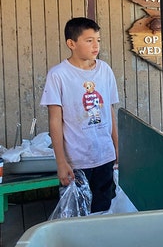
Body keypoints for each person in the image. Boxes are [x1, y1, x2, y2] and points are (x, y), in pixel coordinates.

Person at [40, 17, 119, 213]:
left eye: (98, 40)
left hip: (105, 156)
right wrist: (61, 161)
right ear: (71, 44)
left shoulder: (105, 70)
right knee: (78, 214)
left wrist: (117, 148)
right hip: (77, 161)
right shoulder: (58, 75)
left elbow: (108, 111)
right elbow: (55, 121)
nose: (96, 46)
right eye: (89, 40)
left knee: (104, 211)